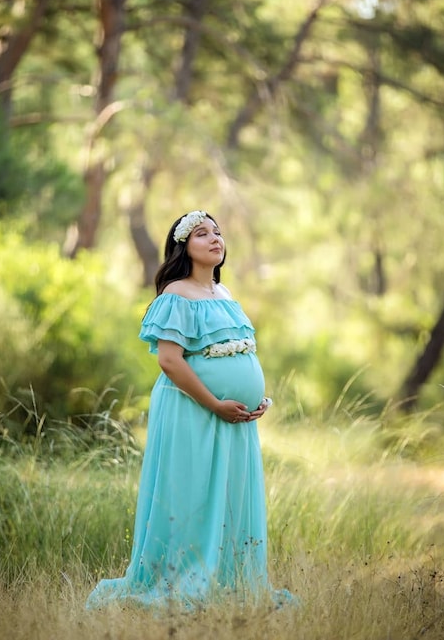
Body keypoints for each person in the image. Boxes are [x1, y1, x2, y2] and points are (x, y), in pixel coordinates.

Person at [86, 210, 294, 610]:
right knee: (193, 494)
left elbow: (242, 350)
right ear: (184, 246)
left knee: (230, 495)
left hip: (235, 421)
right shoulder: (176, 294)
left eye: (218, 231)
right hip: (192, 412)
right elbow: (170, 360)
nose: (215, 238)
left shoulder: (226, 294)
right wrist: (215, 403)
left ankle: (230, 583)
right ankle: (182, 581)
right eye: (202, 233)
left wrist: (257, 397)